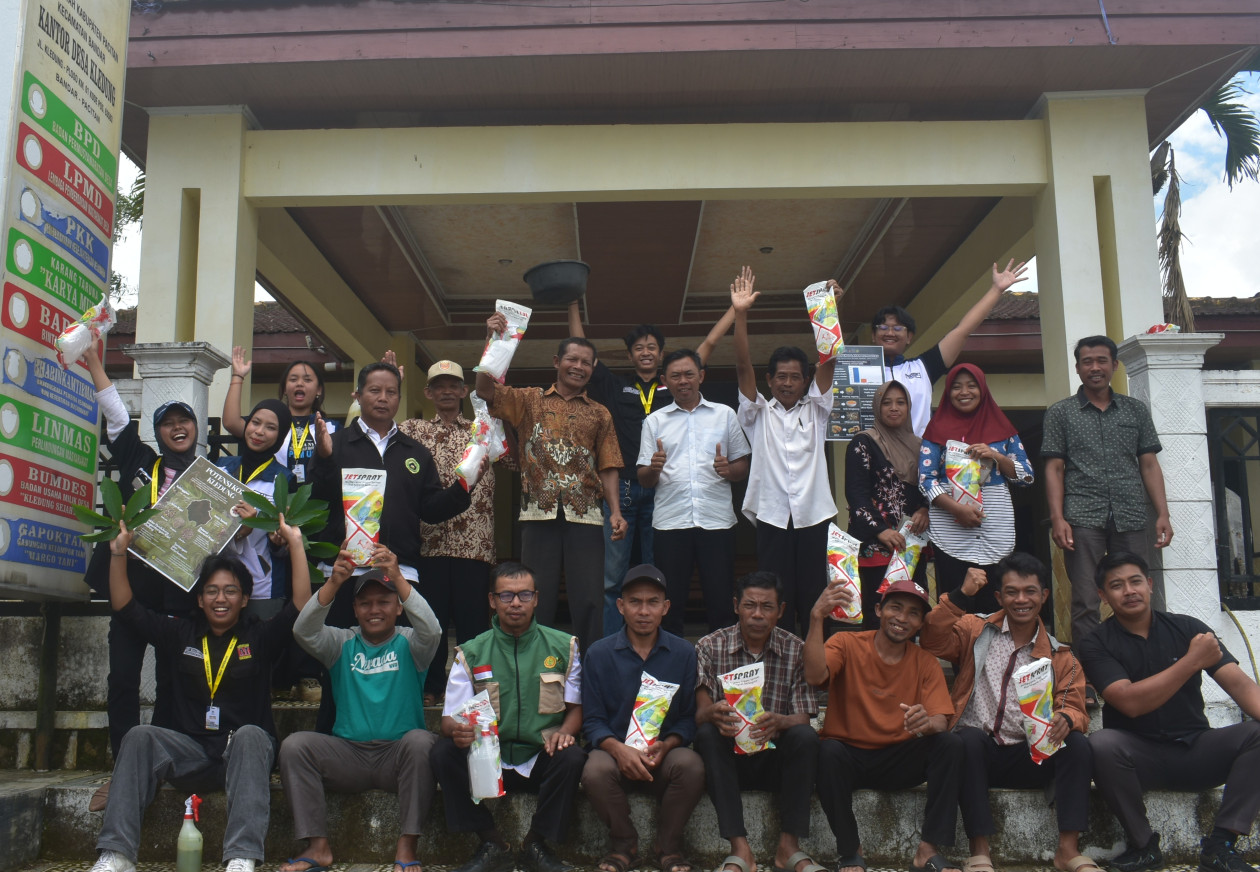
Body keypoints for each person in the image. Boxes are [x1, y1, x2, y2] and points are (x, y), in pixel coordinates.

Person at [87, 515, 312, 872]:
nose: (220, 598)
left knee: (253, 735)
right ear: (200, 598)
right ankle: (117, 854)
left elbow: (301, 605)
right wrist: (117, 554)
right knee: (139, 736)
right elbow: (126, 608)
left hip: (241, 756)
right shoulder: (180, 634)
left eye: (230, 591)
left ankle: (241, 856)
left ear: (244, 599)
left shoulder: (259, 637)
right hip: (190, 753)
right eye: (211, 590)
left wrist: (295, 544)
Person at [1078, 551, 1260, 872]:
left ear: (1150, 585)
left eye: (1136, 581)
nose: (1129, 591)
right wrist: (1192, 661)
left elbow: (1243, 688)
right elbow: (1130, 702)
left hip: (1197, 750)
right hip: (1137, 759)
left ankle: (1220, 846)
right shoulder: (1096, 642)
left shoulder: (1189, 628)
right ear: (1103, 596)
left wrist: (1196, 654)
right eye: (1117, 586)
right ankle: (1144, 845)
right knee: (1101, 744)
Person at [920, 554, 1095, 872]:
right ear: (999, 596)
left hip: (1033, 754)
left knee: (1080, 745)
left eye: (1030, 591)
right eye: (1012, 592)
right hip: (980, 754)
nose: (1021, 599)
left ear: (1044, 595)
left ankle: (1068, 851)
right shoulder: (976, 629)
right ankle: (980, 850)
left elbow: (1075, 704)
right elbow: (931, 638)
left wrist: (1067, 718)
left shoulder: (1060, 655)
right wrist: (961, 596)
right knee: (967, 739)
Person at [569, 302, 735, 636]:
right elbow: (582, 349)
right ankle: (616, 644)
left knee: (657, 576)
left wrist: (735, 310)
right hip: (625, 491)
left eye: (652, 347)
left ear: (661, 355)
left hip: (663, 493)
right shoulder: (617, 388)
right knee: (613, 577)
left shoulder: (675, 385)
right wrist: (574, 304)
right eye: (638, 348)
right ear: (630, 355)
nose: (645, 352)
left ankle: (655, 642)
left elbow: (708, 347)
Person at [278, 551, 441, 872]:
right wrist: (335, 581)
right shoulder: (341, 643)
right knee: (294, 746)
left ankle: (407, 848)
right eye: (365, 603)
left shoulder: (412, 644)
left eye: (383, 602)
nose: (374, 610)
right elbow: (303, 631)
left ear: (399, 607)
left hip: (398, 758)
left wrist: (397, 577)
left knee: (423, 742)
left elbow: (433, 630)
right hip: (348, 756)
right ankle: (317, 847)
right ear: (354, 610)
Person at [476, 311, 625, 651]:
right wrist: (494, 342)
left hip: (586, 515)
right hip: (537, 515)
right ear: (557, 361)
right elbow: (485, 388)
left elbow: (609, 465)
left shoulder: (600, 413)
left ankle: (590, 669)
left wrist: (615, 511)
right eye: (572, 359)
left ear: (593, 368)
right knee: (533, 599)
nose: (579, 366)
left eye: (586, 362)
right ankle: (536, 665)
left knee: (588, 599)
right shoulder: (528, 400)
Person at [82, 344, 197, 769]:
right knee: (123, 683)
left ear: (196, 427)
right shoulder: (140, 460)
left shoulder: (209, 481)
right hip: (128, 591)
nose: (177, 427)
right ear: (158, 432)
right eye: (167, 423)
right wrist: (95, 361)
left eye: (183, 420)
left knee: (172, 682)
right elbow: (114, 412)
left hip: (177, 599)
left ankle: (164, 762)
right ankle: (123, 767)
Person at [431, 562, 586, 872]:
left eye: (524, 595)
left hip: (541, 756)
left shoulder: (563, 646)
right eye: (506, 596)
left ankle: (535, 843)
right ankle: (492, 843)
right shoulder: (472, 652)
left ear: (537, 599)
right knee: (442, 752)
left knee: (573, 757)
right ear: (492, 600)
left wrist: (565, 732)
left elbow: (576, 710)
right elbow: (448, 719)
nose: (516, 603)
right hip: (489, 760)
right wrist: (457, 731)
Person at [805, 578, 963, 872]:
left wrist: (925, 723)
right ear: (878, 610)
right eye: (895, 608)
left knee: (950, 744)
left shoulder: (926, 662)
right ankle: (851, 851)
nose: (902, 618)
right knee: (826, 752)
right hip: (848, 758)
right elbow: (815, 677)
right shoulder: (846, 643)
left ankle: (927, 850)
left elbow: (941, 720)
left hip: (898, 758)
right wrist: (816, 617)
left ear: (920, 623)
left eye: (913, 613)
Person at [1043, 336, 1173, 644]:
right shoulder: (1061, 413)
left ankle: (1139, 661)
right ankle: (1089, 675)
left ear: (1114, 365)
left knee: (1134, 594)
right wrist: (1057, 518)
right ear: (1077, 368)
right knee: (1086, 599)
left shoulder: (1134, 411)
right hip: (1082, 517)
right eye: (1087, 362)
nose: (1095, 367)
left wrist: (1163, 513)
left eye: (1102, 361)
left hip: (1130, 516)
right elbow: (1054, 469)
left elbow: (1150, 465)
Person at [731, 266, 838, 637]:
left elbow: (829, 360)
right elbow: (743, 364)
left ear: (805, 380)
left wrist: (827, 308)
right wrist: (740, 313)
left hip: (814, 515)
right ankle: (780, 663)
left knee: (813, 592)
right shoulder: (757, 413)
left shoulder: (817, 409)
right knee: (774, 595)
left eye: (795, 377)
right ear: (770, 380)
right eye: (781, 377)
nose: (788, 383)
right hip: (773, 517)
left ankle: (813, 663)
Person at [693, 570, 823, 872]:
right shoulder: (709, 646)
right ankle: (740, 850)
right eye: (750, 605)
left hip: (774, 759)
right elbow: (700, 714)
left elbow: (803, 717)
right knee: (707, 735)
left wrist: (781, 722)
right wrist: (713, 713)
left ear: (781, 611)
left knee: (806, 737)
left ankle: (788, 848)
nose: (757, 615)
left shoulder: (796, 649)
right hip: (728, 762)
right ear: (736, 605)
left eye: (767, 607)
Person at [399, 360, 512, 705]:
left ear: (465, 391)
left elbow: (511, 460)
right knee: (429, 623)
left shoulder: (484, 429)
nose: (447, 391)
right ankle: (431, 687)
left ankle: (475, 691)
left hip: (473, 545)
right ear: (428, 393)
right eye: (439, 386)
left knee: (473, 626)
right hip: (428, 543)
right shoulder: (411, 431)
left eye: (454, 386)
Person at [580, 564, 704, 872]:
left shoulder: (683, 653)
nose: (644, 611)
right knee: (594, 771)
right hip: (614, 756)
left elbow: (688, 718)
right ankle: (624, 844)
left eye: (653, 602)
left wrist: (667, 744)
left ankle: (668, 846)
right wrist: (618, 749)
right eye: (635, 602)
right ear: (621, 607)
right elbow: (592, 720)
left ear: (666, 607)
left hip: (661, 757)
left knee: (691, 765)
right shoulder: (599, 653)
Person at [638, 349, 750, 634]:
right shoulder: (654, 421)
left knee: (721, 602)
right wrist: (654, 467)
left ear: (701, 376)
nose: (683, 381)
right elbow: (644, 479)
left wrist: (729, 470)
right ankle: (672, 667)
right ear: (665, 380)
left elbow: (742, 466)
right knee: (670, 604)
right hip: (670, 524)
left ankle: (722, 671)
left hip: (717, 522)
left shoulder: (724, 415)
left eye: (689, 374)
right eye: (675, 376)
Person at [919, 364, 1034, 615]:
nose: (964, 392)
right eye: (956, 386)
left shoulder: (1004, 431)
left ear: (983, 390)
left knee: (994, 604)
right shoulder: (935, 431)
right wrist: (957, 510)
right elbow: (926, 480)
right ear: (948, 393)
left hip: (995, 529)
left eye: (972, 386)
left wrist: (995, 456)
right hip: (950, 531)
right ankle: (959, 655)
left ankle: (991, 655)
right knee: (954, 604)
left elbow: (1026, 476)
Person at [873, 260, 1029, 436]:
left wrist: (996, 290)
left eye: (898, 328)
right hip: (872, 457)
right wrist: (833, 303)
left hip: (918, 456)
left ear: (909, 337)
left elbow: (962, 331)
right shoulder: (857, 370)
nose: (890, 333)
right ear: (873, 336)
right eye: (883, 327)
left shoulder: (923, 367)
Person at [843, 379, 929, 629]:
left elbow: (928, 487)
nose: (894, 408)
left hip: (911, 547)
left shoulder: (920, 446)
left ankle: (906, 669)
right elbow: (856, 496)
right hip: (876, 546)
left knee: (912, 612)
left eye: (901, 402)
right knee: (878, 612)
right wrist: (881, 531)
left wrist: (924, 508)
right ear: (877, 408)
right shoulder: (863, 442)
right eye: (887, 403)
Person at [217, 398, 297, 604]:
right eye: (255, 422)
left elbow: (288, 547)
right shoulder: (221, 467)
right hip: (216, 583)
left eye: (270, 427)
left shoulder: (284, 479)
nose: (259, 431)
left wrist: (278, 542)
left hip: (262, 588)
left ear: (280, 436)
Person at [223, 349, 338, 485]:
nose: (299, 383)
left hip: (317, 500)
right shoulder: (267, 422)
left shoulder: (331, 427)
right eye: (293, 379)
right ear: (284, 388)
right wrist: (238, 376)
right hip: (274, 497)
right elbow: (231, 422)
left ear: (319, 389)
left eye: (307, 380)